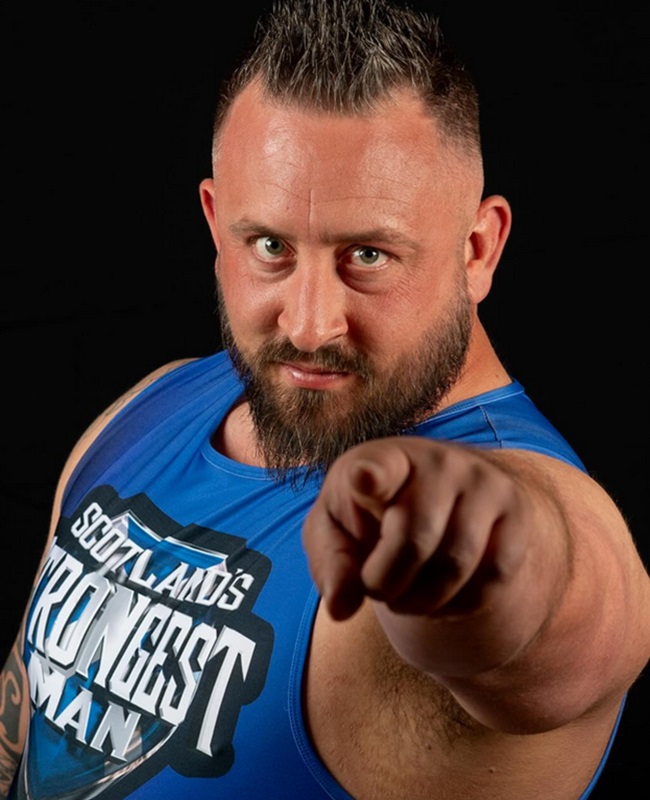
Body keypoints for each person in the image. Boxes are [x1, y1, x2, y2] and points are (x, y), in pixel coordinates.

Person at [1, 0, 649, 798]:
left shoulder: (498, 490)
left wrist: (491, 545)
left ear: (478, 250)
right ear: (216, 225)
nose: (309, 326)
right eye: (270, 247)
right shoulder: (147, 409)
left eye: (367, 256)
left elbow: (577, 623)